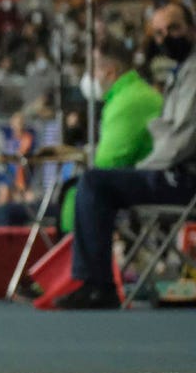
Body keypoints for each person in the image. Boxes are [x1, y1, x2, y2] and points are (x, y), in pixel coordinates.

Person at [56, 3, 196, 309]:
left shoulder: (193, 75)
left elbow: (180, 142)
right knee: (94, 184)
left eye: (173, 28)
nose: (165, 38)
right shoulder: (181, 73)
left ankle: (97, 284)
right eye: (158, 33)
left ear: (192, 27)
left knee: (94, 184)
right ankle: (96, 281)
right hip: (174, 172)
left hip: (184, 179)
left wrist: (143, 170)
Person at [57, 38, 161, 233]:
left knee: (85, 186)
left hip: (152, 185)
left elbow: (107, 164)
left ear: (110, 71)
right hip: (151, 178)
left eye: (92, 71)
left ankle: (80, 260)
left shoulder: (127, 101)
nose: (89, 78)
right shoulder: (131, 93)